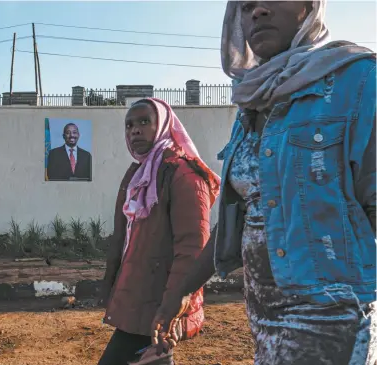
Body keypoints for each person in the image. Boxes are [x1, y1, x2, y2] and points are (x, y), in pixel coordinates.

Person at [152, 1, 376, 365]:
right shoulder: (253, 104)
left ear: (310, 7)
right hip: (264, 318)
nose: (257, 12)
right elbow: (241, 221)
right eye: (246, 6)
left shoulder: (360, 82)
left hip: (332, 320)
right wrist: (179, 290)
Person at [98, 98, 221, 365]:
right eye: (129, 125)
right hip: (139, 298)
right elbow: (125, 239)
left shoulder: (185, 174)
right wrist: (110, 284)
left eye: (144, 122)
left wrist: (172, 306)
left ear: (164, 125)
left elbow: (193, 249)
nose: (135, 130)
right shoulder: (138, 175)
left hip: (160, 303)